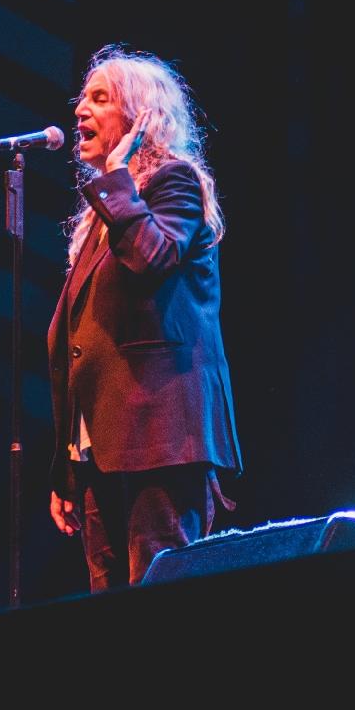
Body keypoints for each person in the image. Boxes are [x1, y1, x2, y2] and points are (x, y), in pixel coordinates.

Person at [46, 45, 242, 589]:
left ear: (140, 118)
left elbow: (153, 258)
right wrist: (66, 465)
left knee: (161, 594)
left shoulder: (172, 183)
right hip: (99, 450)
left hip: (159, 437)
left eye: (99, 98)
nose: (80, 109)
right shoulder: (103, 210)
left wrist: (117, 180)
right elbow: (79, 342)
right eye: (82, 97)